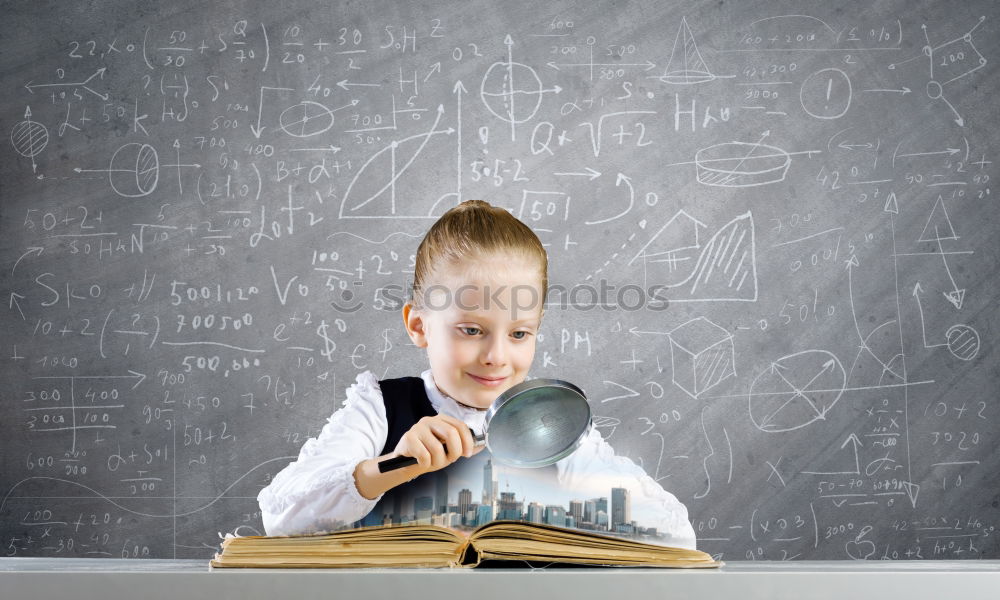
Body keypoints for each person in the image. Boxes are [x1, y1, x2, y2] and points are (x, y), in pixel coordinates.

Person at [257, 200, 698, 550]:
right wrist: (389, 467)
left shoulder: (551, 423)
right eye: (471, 329)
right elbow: (281, 516)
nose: (496, 356)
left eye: (520, 333)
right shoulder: (379, 408)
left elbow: (677, 535)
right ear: (418, 326)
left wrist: (569, 499)